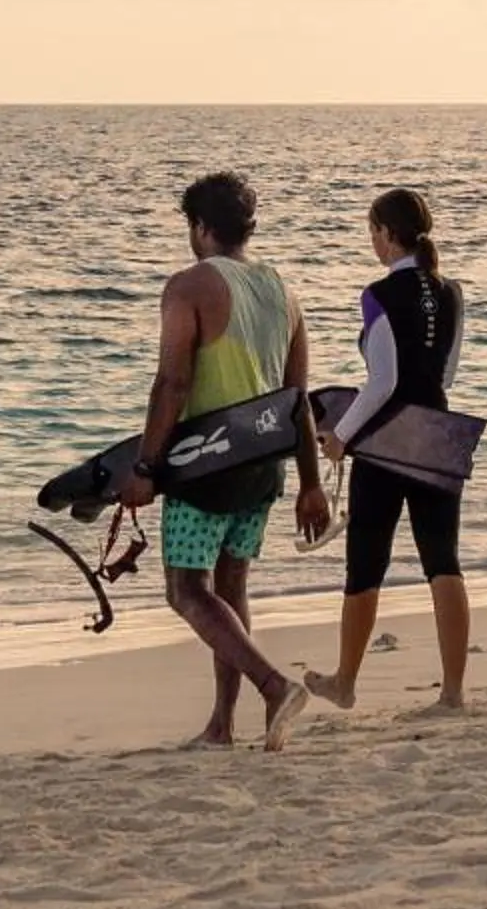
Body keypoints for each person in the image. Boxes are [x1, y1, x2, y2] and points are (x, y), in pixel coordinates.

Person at [116, 170, 331, 749]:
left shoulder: (190, 286)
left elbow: (173, 383)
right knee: (231, 590)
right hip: (264, 465)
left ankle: (272, 685)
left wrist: (143, 468)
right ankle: (222, 726)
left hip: (206, 465)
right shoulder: (284, 292)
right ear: (248, 229)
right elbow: (298, 401)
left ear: (200, 227)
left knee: (187, 591)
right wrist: (312, 485)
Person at [304, 186, 471, 713]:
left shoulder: (376, 295)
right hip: (438, 432)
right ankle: (452, 692)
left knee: (366, 564)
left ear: (387, 234)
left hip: (386, 440)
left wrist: (340, 438)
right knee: (443, 561)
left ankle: (345, 682)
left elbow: (382, 382)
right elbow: (445, 373)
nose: (371, 242)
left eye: (372, 232)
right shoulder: (451, 292)